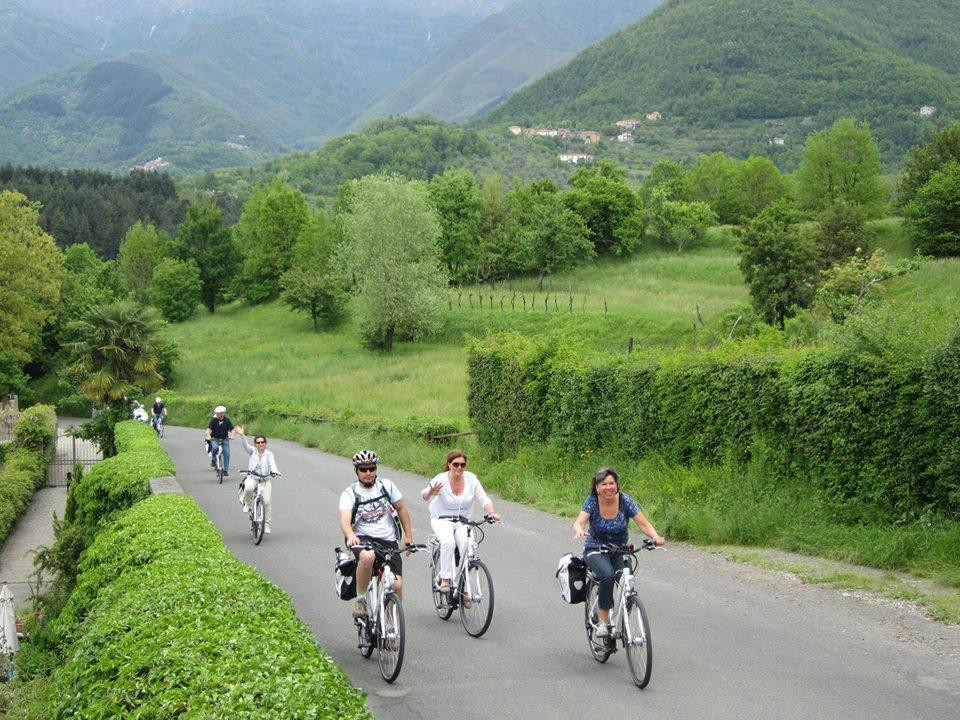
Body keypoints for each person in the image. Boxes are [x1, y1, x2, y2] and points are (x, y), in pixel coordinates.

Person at [572, 467, 664, 638]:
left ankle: (624, 608)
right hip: (595, 549)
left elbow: (643, 524)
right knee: (607, 575)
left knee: (625, 579)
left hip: (619, 550)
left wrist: (655, 536)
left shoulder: (625, 500)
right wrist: (578, 529)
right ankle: (603, 623)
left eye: (612, 483)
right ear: (597, 487)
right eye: (604, 484)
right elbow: (579, 522)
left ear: (616, 484)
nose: (609, 487)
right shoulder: (592, 501)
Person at [338, 450, 414, 619]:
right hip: (362, 537)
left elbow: (401, 508)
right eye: (363, 470)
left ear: (376, 469)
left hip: (388, 539)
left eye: (371, 469)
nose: (368, 473)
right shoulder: (350, 493)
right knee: (367, 558)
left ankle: (390, 622)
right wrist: (350, 535)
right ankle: (361, 599)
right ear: (356, 471)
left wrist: (408, 537)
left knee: (396, 585)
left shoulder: (386, 486)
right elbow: (344, 520)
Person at [421, 450, 500, 603]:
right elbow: (424, 495)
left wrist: (492, 513)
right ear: (449, 464)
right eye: (455, 464)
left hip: (463, 521)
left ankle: (464, 589)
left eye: (462, 465)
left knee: (467, 546)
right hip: (442, 519)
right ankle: (445, 579)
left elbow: (483, 498)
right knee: (448, 542)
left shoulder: (471, 479)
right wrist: (431, 492)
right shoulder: (441, 479)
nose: (459, 468)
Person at [235, 426, 281, 534]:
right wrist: (242, 435)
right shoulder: (253, 451)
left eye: (262, 442)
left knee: (267, 502)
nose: (260, 444)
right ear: (255, 444)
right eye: (258, 443)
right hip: (253, 477)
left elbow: (272, 464)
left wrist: (276, 471)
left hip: (265, 480)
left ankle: (267, 525)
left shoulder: (269, 454)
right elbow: (246, 446)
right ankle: (247, 504)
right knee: (249, 487)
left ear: (265, 443)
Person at [205, 405, 235, 475]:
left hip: (225, 439)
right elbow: (208, 429)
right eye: (216, 413)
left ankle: (225, 470)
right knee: (215, 448)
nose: (217, 414)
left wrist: (232, 435)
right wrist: (209, 436)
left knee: (227, 453)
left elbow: (232, 429)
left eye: (218, 413)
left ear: (222, 413)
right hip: (215, 439)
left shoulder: (227, 420)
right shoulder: (214, 420)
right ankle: (213, 460)